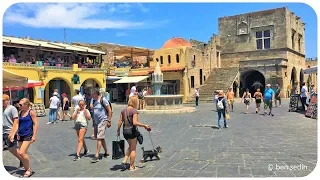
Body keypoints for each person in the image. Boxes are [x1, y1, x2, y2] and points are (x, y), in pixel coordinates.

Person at [117, 96, 151, 171]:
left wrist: (118, 130)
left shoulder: (123, 110)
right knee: (133, 149)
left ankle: (125, 159)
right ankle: (131, 166)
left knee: (130, 146)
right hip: (132, 131)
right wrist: (144, 125)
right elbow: (135, 123)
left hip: (125, 131)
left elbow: (120, 121)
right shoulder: (134, 111)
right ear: (135, 102)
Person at [9, 98, 38, 177]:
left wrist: (34, 135)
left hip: (28, 135)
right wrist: (13, 134)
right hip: (20, 135)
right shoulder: (20, 112)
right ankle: (27, 168)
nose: (19, 106)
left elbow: (35, 124)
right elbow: (17, 124)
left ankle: (28, 170)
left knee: (22, 152)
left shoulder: (31, 112)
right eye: (19, 104)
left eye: (21, 105)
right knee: (22, 154)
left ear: (26, 105)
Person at [91, 89, 112, 163]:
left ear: (96, 94)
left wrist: (109, 121)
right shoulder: (94, 101)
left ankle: (97, 155)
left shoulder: (103, 100)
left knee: (99, 138)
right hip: (97, 122)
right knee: (101, 137)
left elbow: (109, 110)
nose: (92, 96)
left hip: (103, 120)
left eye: (93, 94)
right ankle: (106, 152)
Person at [2, 94, 23, 168]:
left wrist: (12, 133)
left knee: (11, 149)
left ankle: (23, 160)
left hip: (9, 131)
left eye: (3, 101)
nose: (2, 102)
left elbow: (16, 122)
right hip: (2, 131)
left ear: (8, 101)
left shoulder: (12, 108)